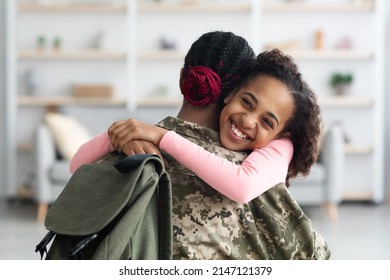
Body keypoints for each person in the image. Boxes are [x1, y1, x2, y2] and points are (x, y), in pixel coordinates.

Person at [71, 31, 330, 259]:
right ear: (233, 92)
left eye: (267, 121)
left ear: (183, 77)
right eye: (248, 102)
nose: (250, 121)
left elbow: (77, 168)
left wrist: (124, 136)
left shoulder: (128, 150)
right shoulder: (258, 180)